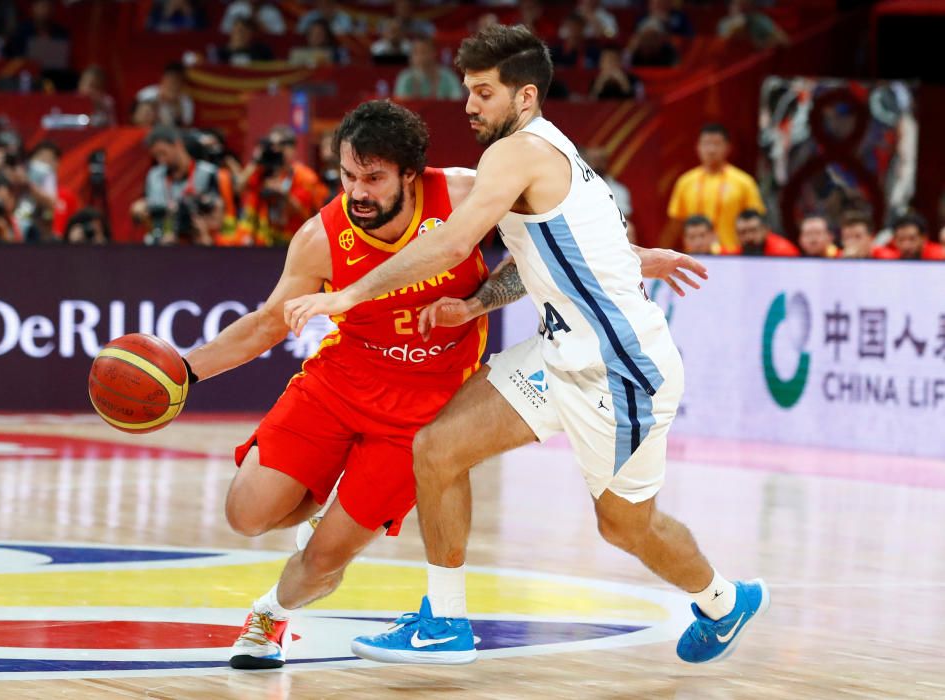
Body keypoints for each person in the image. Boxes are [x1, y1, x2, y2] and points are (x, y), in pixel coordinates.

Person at [283, 25, 767, 667]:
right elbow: (537, 253)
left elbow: (453, 244)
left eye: (483, 92)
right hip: (561, 352)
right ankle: (445, 622)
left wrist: (346, 297)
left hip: (618, 369)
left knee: (624, 526)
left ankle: (723, 599)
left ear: (526, 96)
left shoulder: (518, 153)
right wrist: (477, 303)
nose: (470, 105)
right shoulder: (537, 154)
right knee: (436, 449)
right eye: (468, 90)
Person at [185, 100, 493, 669]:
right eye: (348, 176)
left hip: (422, 415)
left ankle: (270, 614)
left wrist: (475, 303)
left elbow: (549, 251)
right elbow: (267, 324)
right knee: (246, 514)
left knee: (325, 562)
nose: (358, 192)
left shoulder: (469, 194)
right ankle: (324, 507)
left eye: (373, 178)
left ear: (410, 173)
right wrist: (183, 372)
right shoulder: (321, 236)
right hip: (338, 386)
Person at [667, 123, 765, 252]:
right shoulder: (685, 182)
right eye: (706, 144)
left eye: (717, 144)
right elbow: (675, 227)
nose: (711, 150)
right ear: (698, 147)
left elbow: (755, 223)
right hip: (694, 255)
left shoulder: (744, 182)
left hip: (732, 256)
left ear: (728, 147)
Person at [393, 37, 464, 100]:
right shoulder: (405, 77)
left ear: (434, 53)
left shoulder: (448, 76)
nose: (420, 56)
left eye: (424, 52)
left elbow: (457, 102)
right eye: (416, 52)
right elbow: (401, 105)